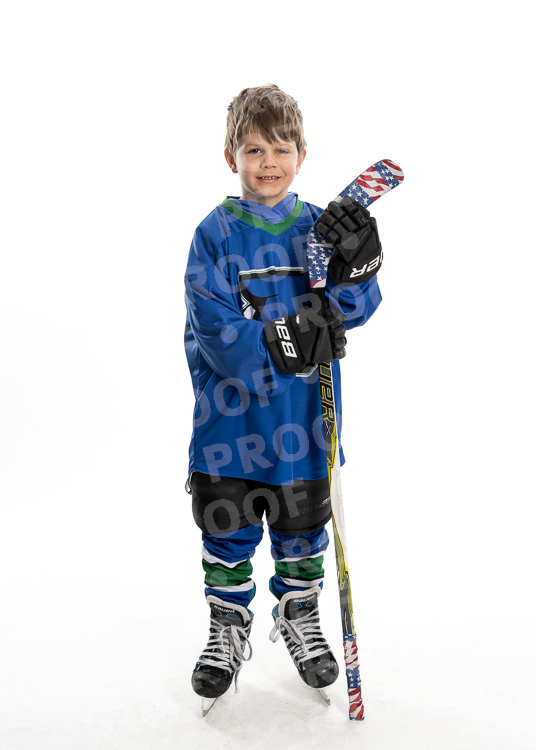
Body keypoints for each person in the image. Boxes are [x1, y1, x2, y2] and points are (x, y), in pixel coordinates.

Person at [184, 84, 383, 714]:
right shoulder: (214, 236)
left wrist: (360, 266)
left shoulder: (318, 227)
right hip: (229, 428)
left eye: (280, 148)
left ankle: (300, 613)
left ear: (302, 154)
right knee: (227, 528)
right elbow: (215, 330)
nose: (268, 161)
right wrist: (286, 337)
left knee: (303, 529)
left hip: (306, 424)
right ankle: (227, 623)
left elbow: (353, 308)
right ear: (230, 157)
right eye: (253, 149)